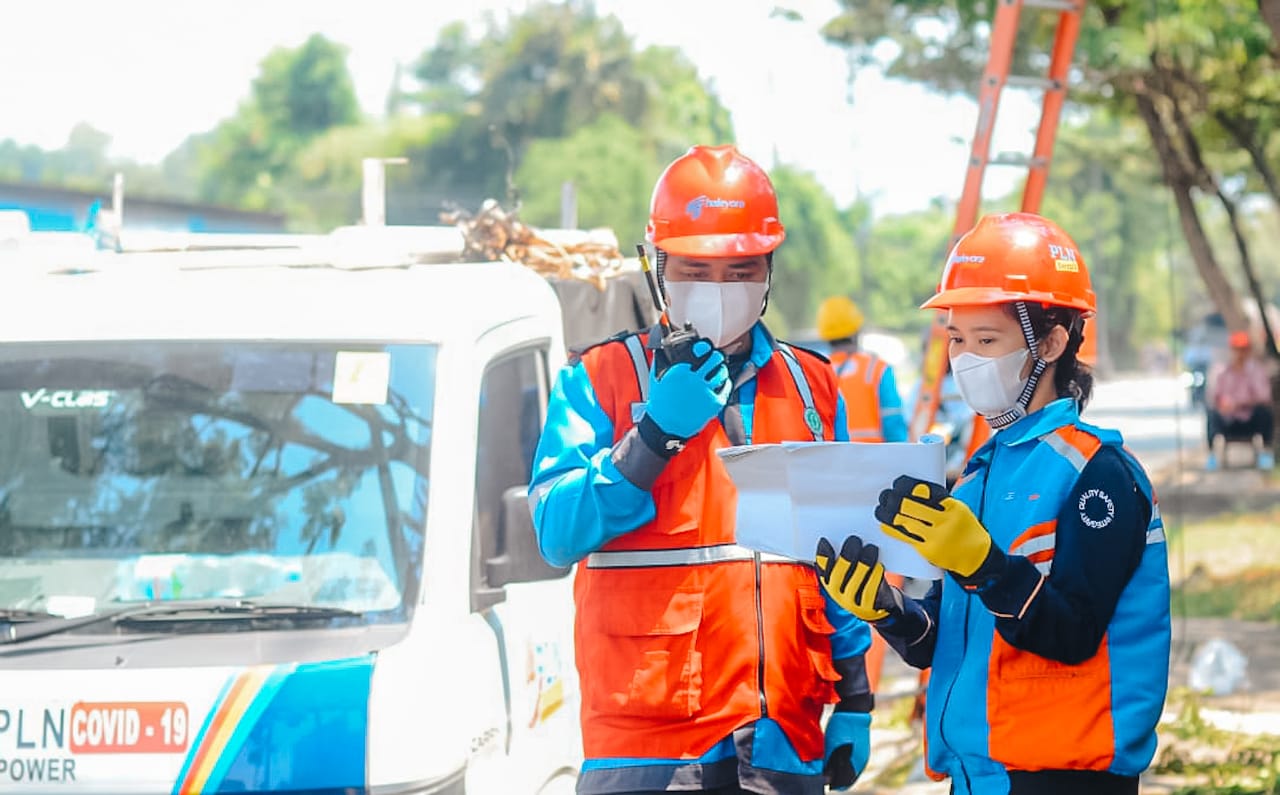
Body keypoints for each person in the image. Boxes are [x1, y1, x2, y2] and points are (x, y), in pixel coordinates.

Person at [528, 144, 874, 795]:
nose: (719, 290)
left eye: (740, 271)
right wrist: (652, 436)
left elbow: (841, 554)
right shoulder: (599, 379)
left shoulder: (812, 388)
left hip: (781, 734)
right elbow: (556, 529)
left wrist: (854, 691)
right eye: (696, 269)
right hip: (649, 742)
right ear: (657, 268)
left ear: (769, 271)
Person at [813, 212, 1171, 795]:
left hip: (1063, 779)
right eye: (957, 338)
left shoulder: (1097, 475)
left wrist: (985, 567)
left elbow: (1072, 635)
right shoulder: (977, 476)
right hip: (977, 777)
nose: (965, 359)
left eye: (987, 340)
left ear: (1052, 342)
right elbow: (945, 640)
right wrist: (886, 608)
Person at [815, 296, 909, 442]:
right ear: (856, 330)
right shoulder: (877, 369)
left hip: (833, 461)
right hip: (875, 461)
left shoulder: (816, 371)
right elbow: (893, 422)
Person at [1206, 330, 1274, 471]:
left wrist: (1240, 403)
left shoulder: (1256, 370)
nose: (1239, 353)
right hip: (1228, 419)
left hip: (1249, 419)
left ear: (1248, 351)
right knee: (1211, 413)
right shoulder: (1222, 371)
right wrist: (1222, 404)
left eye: (1242, 349)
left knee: (1265, 412)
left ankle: (1266, 454)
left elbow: (1264, 396)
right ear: (1231, 350)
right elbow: (1213, 396)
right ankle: (1212, 456)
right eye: (1236, 349)